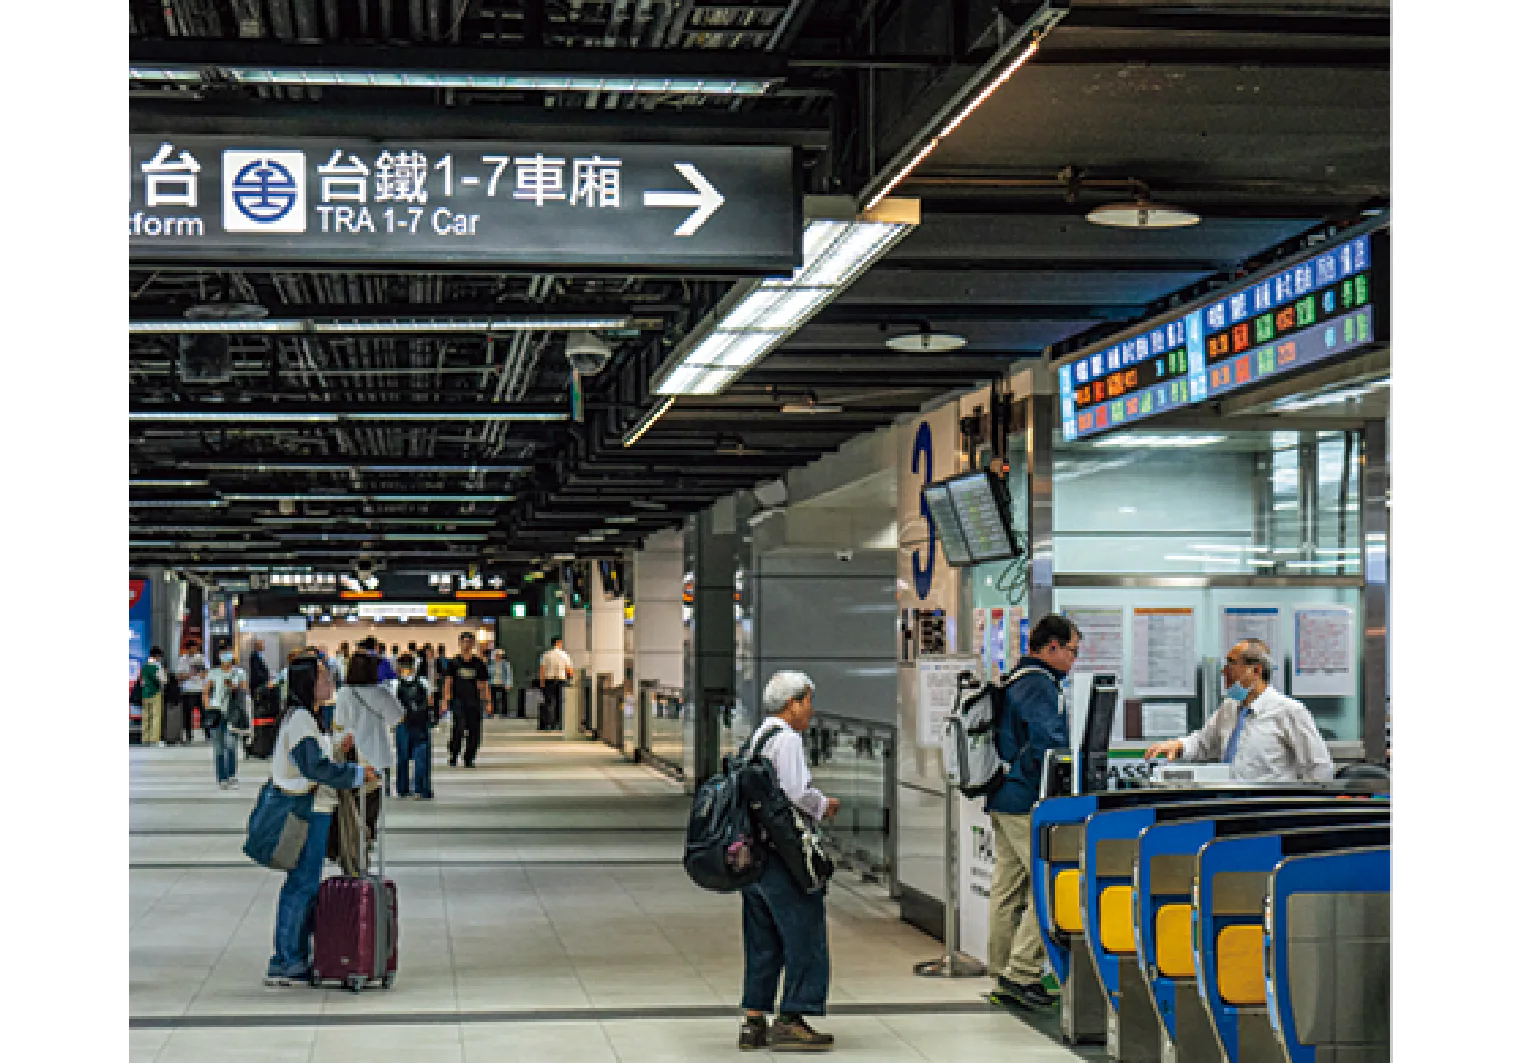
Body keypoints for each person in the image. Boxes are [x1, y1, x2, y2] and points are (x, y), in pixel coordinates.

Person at [737, 670, 839, 1052]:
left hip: (752, 854)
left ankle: (753, 1019)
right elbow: (797, 791)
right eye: (808, 701)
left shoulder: (755, 738)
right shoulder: (787, 740)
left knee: (762, 939)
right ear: (792, 703)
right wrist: (823, 805)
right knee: (804, 932)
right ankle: (793, 1015)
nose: (811, 710)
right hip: (784, 855)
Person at [985, 615, 1076, 1009]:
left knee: (1008, 887)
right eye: (1072, 650)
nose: (1074, 659)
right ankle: (1020, 973)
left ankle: (1002, 969)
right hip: (1026, 802)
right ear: (1051, 647)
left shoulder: (1015, 678)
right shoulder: (1040, 686)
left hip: (1003, 797)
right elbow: (1047, 746)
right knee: (1051, 888)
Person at [264, 674, 377, 986]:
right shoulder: (300, 718)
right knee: (302, 884)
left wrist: (339, 747)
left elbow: (316, 758)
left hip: (316, 809)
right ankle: (287, 961)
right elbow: (313, 767)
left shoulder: (307, 718)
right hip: (308, 811)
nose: (329, 683)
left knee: (304, 883)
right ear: (307, 683)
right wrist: (354, 774)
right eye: (323, 677)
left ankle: (291, 957)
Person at [1144, 638, 1334, 781]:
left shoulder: (1289, 711)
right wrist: (1178, 745)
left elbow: (1319, 768)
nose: (1223, 671)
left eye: (1231, 664)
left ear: (1256, 671)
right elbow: (1203, 743)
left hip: (1270, 810)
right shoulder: (1230, 707)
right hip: (1229, 806)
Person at [334, 651, 403, 818]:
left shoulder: (344, 693)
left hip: (351, 753)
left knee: (351, 800)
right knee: (373, 798)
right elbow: (398, 718)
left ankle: (355, 835)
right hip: (376, 753)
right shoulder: (382, 693)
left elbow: (338, 724)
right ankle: (369, 833)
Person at [206, 645, 248, 789]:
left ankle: (232, 776)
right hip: (216, 712)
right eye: (223, 653)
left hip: (232, 713)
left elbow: (244, 689)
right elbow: (206, 690)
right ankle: (221, 778)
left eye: (228, 653)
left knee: (231, 745)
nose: (226, 656)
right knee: (218, 747)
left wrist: (235, 686)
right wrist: (208, 706)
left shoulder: (239, 672)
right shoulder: (214, 672)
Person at [446, 632, 491, 768]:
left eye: (469, 642)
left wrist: (488, 702)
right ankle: (454, 754)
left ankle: (469, 757)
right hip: (458, 700)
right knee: (458, 728)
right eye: (464, 642)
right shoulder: (454, 662)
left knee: (474, 730)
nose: (466, 644)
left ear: (473, 644)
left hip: (474, 701)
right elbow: (448, 681)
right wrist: (445, 699)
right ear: (460, 643)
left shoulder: (479, 664)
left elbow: (484, 684)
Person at [394, 655, 435, 800]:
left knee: (402, 758)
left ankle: (403, 789)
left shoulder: (395, 684)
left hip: (403, 724)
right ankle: (422, 789)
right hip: (421, 724)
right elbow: (430, 702)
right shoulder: (423, 682)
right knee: (422, 757)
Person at [538, 637, 574, 732]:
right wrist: (571, 678)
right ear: (559, 643)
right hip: (561, 680)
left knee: (549, 702)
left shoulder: (546, 655)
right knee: (559, 702)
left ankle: (548, 723)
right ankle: (558, 723)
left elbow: (542, 669)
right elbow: (569, 670)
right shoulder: (564, 655)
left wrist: (542, 682)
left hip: (548, 680)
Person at [176, 638, 207, 744]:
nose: (193, 650)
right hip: (187, 690)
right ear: (188, 649)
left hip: (200, 689)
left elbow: (206, 674)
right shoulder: (183, 659)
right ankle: (188, 735)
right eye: (191, 648)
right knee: (187, 714)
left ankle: (207, 734)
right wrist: (190, 674)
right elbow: (179, 676)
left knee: (205, 713)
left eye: (195, 648)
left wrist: (201, 674)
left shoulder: (201, 658)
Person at [140, 647, 168, 747]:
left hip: (145, 693)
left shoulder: (144, 666)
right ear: (157, 656)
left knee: (146, 716)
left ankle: (145, 738)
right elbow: (163, 680)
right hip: (155, 692)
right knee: (156, 716)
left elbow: (141, 680)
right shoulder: (157, 666)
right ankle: (154, 739)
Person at [489, 649, 513, 719]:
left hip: (502, 683)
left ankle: (504, 712)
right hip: (493, 682)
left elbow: (509, 674)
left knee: (503, 698)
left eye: (499, 655)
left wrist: (508, 683)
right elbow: (489, 673)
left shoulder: (506, 664)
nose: (498, 657)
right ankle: (494, 711)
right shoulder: (492, 664)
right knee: (493, 698)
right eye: (497, 655)